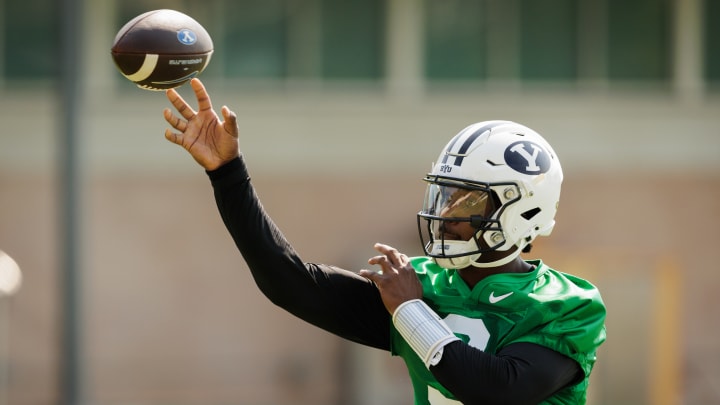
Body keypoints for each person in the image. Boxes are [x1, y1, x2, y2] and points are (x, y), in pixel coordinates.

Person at [162, 78, 606, 405]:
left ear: (521, 214)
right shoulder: (422, 284)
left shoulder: (566, 306)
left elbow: (498, 390)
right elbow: (288, 282)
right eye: (445, 196)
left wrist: (411, 312)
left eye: (467, 202)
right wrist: (227, 173)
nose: (446, 215)